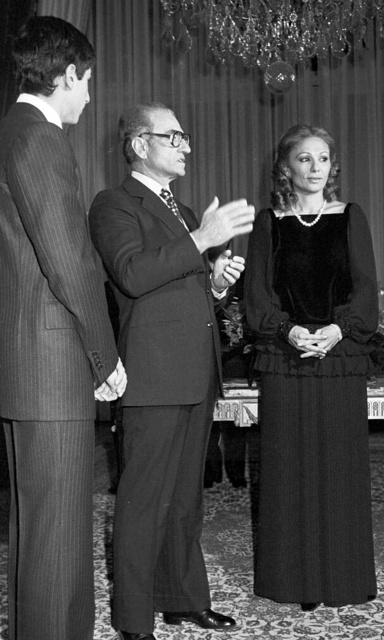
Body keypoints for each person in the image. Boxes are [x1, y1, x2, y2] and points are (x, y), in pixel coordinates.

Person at [89, 102, 255, 640]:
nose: (186, 146)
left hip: (195, 372)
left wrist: (216, 284)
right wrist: (202, 240)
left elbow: (180, 287)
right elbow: (133, 275)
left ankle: (183, 600)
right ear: (141, 145)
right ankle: (134, 621)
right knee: (142, 504)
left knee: (185, 499)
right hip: (153, 375)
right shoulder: (114, 204)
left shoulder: (181, 210)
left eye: (186, 137)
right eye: (174, 137)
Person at [0, 16, 127, 640]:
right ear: (69, 74)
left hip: (25, 366)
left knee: (38, 536)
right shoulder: (40, 138)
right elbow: (69, 262)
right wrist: (106, 357)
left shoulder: (11, 131)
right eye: (89, 81)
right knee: (58, 544)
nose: (90, 95)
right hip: (50, 370)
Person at [244, 124, 378, 611]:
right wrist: (289, 331)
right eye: (304, 158)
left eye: (323, 158)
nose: (315, 167)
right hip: (285, 359)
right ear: (286, 167)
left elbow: (365, 287)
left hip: (340, 358)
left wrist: (339, 329)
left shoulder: (350, 217)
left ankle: (343, 579)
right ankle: (293, 583)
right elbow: (257, 294)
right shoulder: (269, 223)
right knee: (289, 472)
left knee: (340, 470)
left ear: (332, 167)